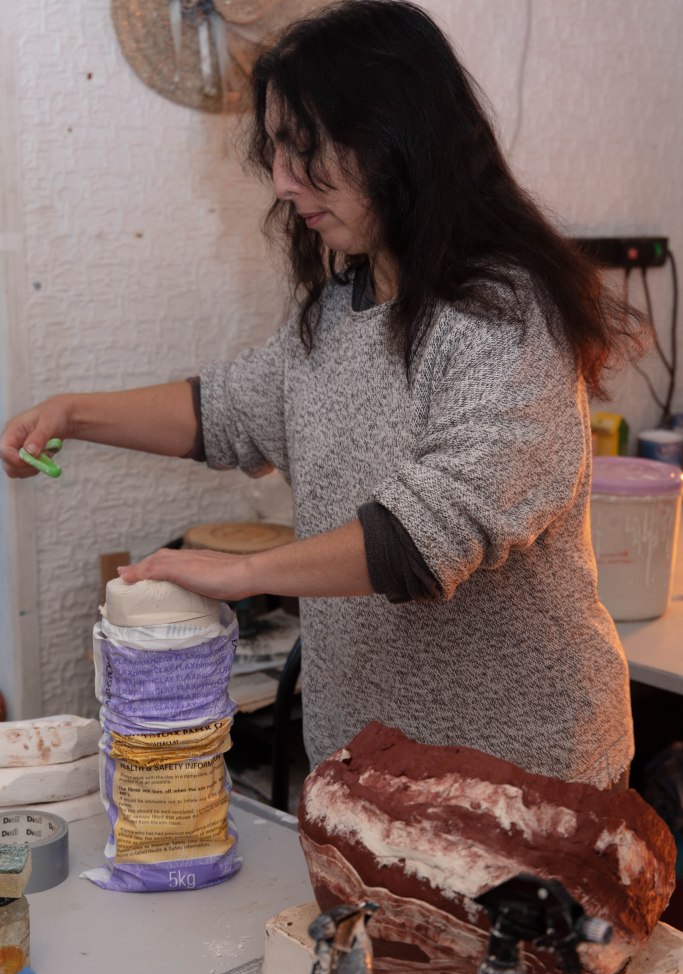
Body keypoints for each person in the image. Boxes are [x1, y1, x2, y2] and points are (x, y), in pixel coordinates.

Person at [1, 0, 643, 787]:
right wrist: (71, 412)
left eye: (302, 149)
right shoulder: (338, 312)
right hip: (361, 766)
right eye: (274, 150)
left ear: (395, 140)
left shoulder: (504, 314)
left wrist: (244, 573)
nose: (280, 181)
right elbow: (224, 411)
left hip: (520, 776)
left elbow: (431, 532)